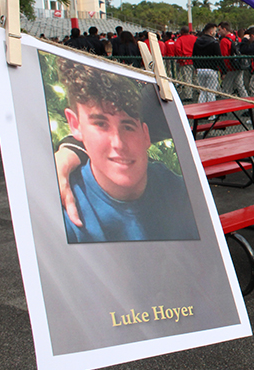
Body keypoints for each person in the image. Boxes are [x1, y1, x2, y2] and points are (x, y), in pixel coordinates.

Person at [54, 59, 199, 243]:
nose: (118, 143)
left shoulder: (176, 190)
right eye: (100, 124)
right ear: (74, 124)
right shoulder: (69, 210)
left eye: (128, 127)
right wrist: (69, 151)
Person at [192, 23, 224, 103]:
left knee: (203, 91)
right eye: (215, 31)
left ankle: (201, 111)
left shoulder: (197, 41)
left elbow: (194, 55)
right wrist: (223, 71)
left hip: (200, 69)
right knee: (211, 93)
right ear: (211, 32)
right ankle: (212, 114)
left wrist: (196, 67)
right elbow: (219, 58)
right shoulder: (214, 43)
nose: (215, 32)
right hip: (211, 69)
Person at [173, 27, 197, 101]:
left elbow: (177, 48)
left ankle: (188, 95)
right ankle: (200, 91)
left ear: (182, 31)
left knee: (187, 78)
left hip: (185, 61)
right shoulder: (195, 38)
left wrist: (181, 58)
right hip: (195, 60)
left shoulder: (180, 39)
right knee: (196, 77)